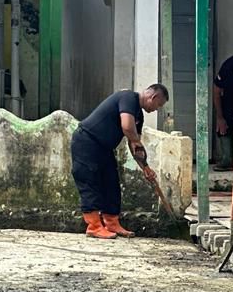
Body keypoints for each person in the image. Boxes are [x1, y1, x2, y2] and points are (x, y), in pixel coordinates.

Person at [71, 85, 169, 240]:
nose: (156, 109)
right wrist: (135, 140)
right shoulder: (128, 98)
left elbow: (134, 144)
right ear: (153, 97)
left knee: (111, 182)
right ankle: (94, 226)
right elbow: (127, 126)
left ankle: (111, 222)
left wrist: (145, 168)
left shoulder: (139, 116)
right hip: (87, 141)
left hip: (105, 148)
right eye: (158, 105)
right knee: (90, 182)